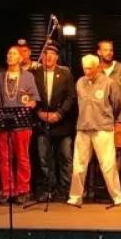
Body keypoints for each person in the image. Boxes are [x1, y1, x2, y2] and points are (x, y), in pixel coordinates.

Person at [68, 54, 121, 207]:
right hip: (83, 128)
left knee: (108, 164)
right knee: (79, 165)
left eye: (90, 68)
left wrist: (108, 118)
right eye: (85, 68)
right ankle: (75, 196)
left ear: (98, 67)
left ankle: (117, 197)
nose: (87, 71)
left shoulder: (109, 83)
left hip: (103, 128)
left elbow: (117, 104)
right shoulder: (79, 82)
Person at [0, 46, 40, 204]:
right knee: (4, 158)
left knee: (22, 157)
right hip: (2, 123)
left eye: (13, 54)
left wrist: (28, 107)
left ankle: (23, 190)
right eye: (8, 53)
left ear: (20, 58)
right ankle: (7, 189)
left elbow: (34, 100)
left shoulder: (28, 77)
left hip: (21, 124)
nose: (9, 56)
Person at [34, 42, 76, 201]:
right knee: (45, 159)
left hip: (62, 122)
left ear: (57, 57)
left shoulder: (65, 74)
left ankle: (65, 189)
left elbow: (71, 97)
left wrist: (59, 114)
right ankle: (48, 189)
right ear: (42, 57)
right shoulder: (35, 73)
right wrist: (39, 112)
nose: (49, 57)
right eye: (46, 54)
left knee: (65, 157)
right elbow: (29, 96)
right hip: (42, 122)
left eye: (52, 54)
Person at [97, 40, 121, 171]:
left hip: (119, 119)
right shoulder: (95, 70)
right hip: (100, 119)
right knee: (101, 152)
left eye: (110, 50)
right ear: (99, 52)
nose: (109, 53)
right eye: (105, 50)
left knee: (117, 151)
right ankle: (102, 184)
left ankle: (116, 185)